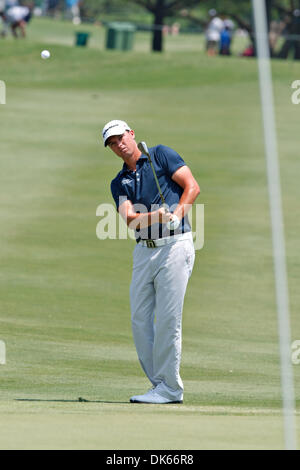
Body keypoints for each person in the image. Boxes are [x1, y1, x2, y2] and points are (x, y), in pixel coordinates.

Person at [102, 120, 200, 404]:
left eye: (120, 138)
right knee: (140, 320)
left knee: (169, 320)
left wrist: (178, 214)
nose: (118, 145)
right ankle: (159, 385)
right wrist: (158, 215)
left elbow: (191, 186)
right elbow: (131, 220)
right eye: (112, 143)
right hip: (144, 251)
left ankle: (171, 387)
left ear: (131, 134)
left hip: (175, 247)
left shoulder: (160, 154)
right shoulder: (119, 182)